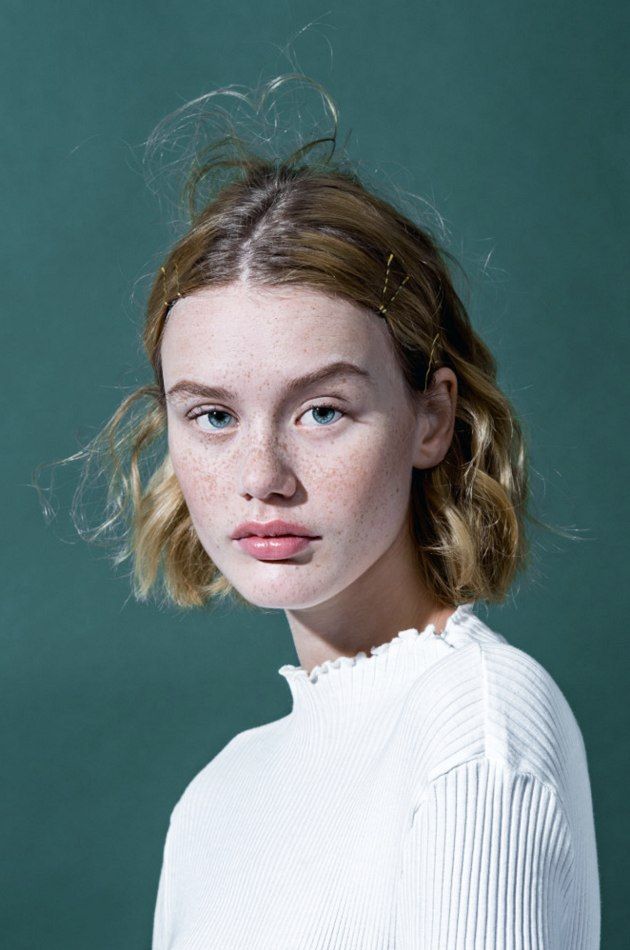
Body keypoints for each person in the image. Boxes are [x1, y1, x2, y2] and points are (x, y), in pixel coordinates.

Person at [41, 75, 601, 947]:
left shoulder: (475, 721)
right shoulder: (217, 797)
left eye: (323, 410)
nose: (263, 475)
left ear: (432, 416)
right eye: (214, 415)